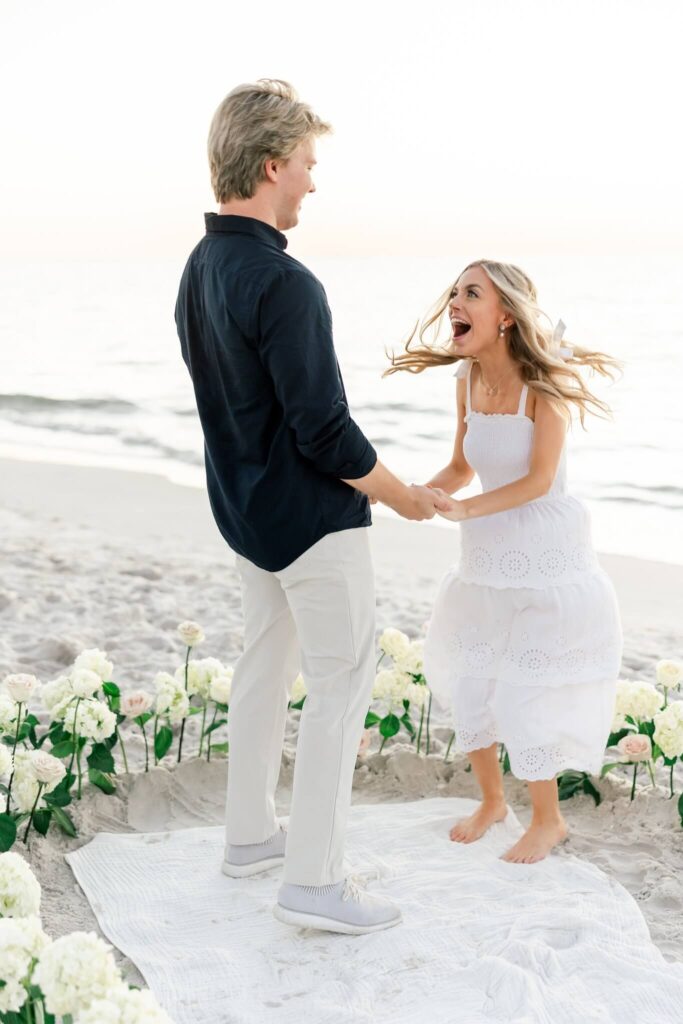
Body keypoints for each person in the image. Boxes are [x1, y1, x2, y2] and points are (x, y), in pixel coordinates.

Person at [175, 79, 449, 934]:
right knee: (339, 683)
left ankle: (251, 838)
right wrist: (402, 495)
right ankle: (315, 884)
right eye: (305, 164)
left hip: (247, 516)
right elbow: (324, 432)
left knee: (265, 667)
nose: (312, 182)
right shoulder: (285, 283)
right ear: (269, 166)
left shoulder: (200, 266)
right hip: (310, 523)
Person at [385, 260, 623, 863]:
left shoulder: (544, 387)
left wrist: (467, 511)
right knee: (474, 684)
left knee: (524, 693)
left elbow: (541, 481)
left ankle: (549, 820)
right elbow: (463, 464)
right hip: (486, 557)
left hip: (545, 559)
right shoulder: (465, 379)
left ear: (506, 315)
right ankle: (493, 802)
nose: (455, 303)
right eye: (454, 293)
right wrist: (426, 493)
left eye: (472, 294)